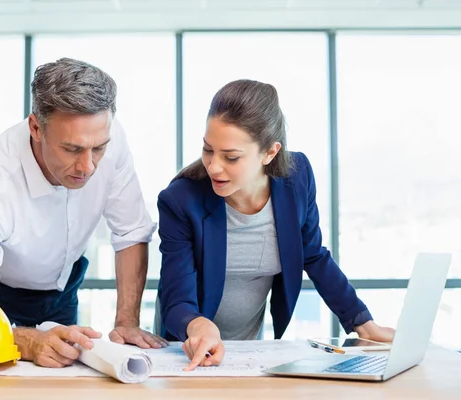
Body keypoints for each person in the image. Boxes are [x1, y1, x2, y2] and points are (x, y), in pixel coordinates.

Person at [156, 79, 395, 371]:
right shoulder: (180, 200)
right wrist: (196, 325)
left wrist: (362, 323)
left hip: (250, 350)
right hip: (187, 349)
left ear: (269, 153)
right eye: (208, 150)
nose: (213, 166)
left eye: (231, 157)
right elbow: (175, 294)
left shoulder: (298, 177)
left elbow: (313, 254)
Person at [0, 57, 167, 368]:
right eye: (72, 149)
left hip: (65, 285)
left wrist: (126, 321)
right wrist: (28, 341)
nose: (88, 166)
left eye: (98, 148)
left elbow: (130, 232)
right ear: (35, 127)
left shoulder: (111, 139)